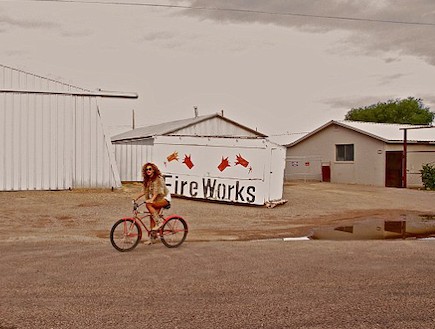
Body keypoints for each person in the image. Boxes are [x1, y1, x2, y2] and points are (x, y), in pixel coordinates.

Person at [133, 162, 171, 233]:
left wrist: (151, 200)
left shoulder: (158, 178)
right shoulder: (148, 180)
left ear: (153, 170)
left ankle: (159, 222)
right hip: (157, 199)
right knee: (152, 217)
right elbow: (144, 191)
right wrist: (135, 198)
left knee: (149, 205)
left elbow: (157, 191)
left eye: (150, 169)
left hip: (164, 198)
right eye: (146, 169)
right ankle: (152, 238)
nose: (148, 170)